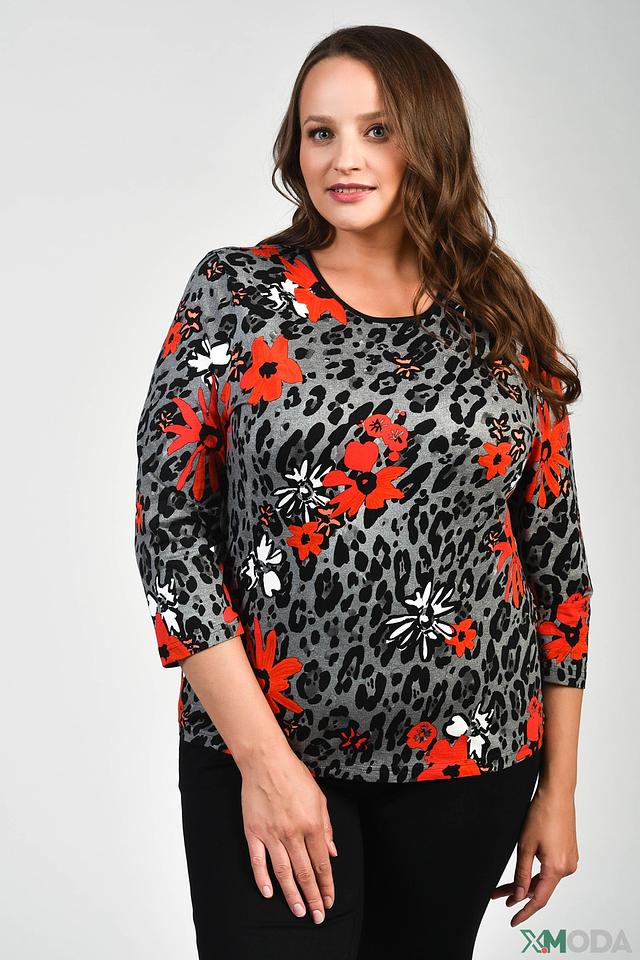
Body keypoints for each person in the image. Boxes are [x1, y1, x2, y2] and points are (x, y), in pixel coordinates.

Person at [133, 24, 594, 960]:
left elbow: (559, 567)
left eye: (377, 130)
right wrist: (265, 765)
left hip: (471, 760)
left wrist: (559, 789)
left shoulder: (500, 318)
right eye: (321, 132)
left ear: (431, 138)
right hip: (266, 751)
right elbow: (171, 537)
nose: (344, 158)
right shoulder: (237, 293)